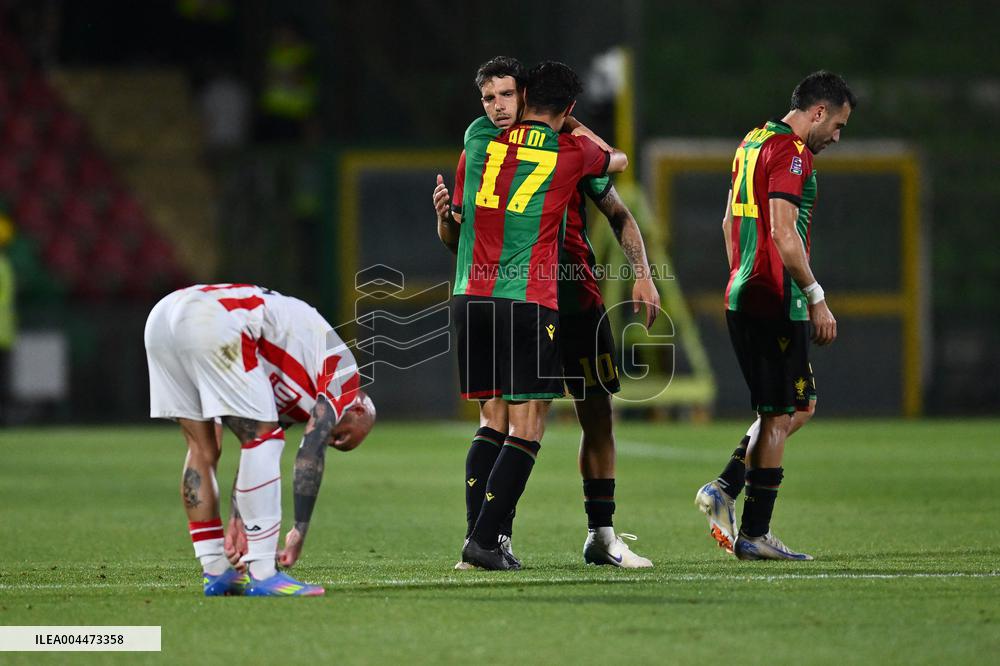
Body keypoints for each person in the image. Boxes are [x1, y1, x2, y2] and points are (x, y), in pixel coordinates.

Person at [434, 57, 659, 568]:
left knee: (592, 413)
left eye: (506, 97)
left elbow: (618, 213)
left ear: (525, 98)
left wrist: (642, 273)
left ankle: (599, 536)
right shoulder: (567, 149)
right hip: (530, 297)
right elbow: (613, 157)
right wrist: (447, 223)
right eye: (490, 99)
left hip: (570, 298)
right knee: (513, 421)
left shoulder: (482, 141)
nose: (497, 108)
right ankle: (490, 540)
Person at [694, 71, 856, 560]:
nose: (837, 137)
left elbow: (729, 222)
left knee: (796, 408)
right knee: (779, 413)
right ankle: (755, 534)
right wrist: (816, 296)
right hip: (775, 300)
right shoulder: (791, 153)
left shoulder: (751, 142)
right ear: (819, 112)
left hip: (749, 293)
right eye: (839, 125)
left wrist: (741, 271)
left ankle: (726, 486)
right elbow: (785, 234)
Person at [144, 283, 375, 595]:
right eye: (343, 436)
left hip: (164, 317)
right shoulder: (346, 377)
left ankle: (215, 569)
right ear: (359, 409)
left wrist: (238, 518)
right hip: (216, 319)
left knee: (202, 446)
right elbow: (310, 449)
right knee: (265, 438)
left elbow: (250, 446)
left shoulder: (299, 389)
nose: (333, 440)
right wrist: (299, 531)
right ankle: (264, 572)